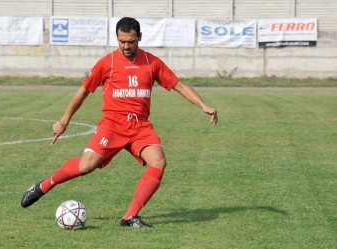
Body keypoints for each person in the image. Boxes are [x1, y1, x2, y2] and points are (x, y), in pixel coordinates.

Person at [21, 17, 218, 228]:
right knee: (87, 165)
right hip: (112, 125)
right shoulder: (107, 63)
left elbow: (178, 85)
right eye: (122, 41)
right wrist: (64, 121)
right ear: (117, 38)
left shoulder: (152, 62)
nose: (126, 46)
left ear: (139, 38)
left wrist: (203, 105)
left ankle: (130, 217)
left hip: (140, 126)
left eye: (131, 41)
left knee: (158, 161)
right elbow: (83, 92)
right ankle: (43, 186)